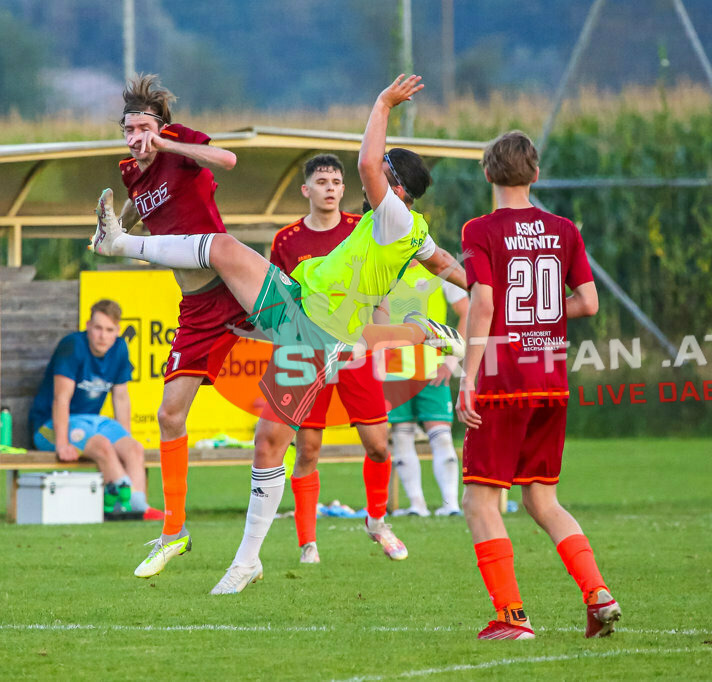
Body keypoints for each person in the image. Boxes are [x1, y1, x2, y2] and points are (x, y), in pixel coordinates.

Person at [89, 74, 467, 593]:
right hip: (302, 309)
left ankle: (119, 246)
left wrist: (382, 103)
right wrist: (492, 287)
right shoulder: (407, 228)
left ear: (394, 183)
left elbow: (363, 163)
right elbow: (444, 261)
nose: (366, 175)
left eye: (382, 171)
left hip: (311, 324)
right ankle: (243, 558)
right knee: (269, 439)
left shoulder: (393, 213)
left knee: (223, 253)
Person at [456, 130, 620, 639]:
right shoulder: (563, 229)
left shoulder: (479, 229)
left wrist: (469, 375)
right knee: (541, 499)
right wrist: (542, 322)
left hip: (504, 378)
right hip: (550, 378)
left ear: (488, 173)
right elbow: (588, 303)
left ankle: (511, 616)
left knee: (481, 500)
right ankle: (598, 593)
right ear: (536, 174)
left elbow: (483, 302)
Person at [104, 73, 247, 575]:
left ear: (160, 125)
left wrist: (168, 142)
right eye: (129, 130)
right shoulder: (131, 171)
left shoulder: (178, 142)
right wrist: (117, 227)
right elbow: (136, 208)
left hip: (232, 284)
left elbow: (228, 160)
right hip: (195, 308)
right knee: (169, 415)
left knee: (301, 342)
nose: (136, 138)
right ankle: (174, 531)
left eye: (143, 128)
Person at [268, 152, 405, 564]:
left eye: (336, 182)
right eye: (322, 182)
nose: (330, 188)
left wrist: (377, 339)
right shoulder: (286, 241)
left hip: (356, 351)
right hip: (307, 354)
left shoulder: (361, 230)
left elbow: (379, 291)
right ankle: (308, 543)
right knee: (308, 449)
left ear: (345, 189)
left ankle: (377, 522)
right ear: (306, 189)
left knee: (378, 445)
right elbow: (278, 303)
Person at [29, 299, 159, 518]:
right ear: (88, 325)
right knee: (103, 446)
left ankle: (139, 507)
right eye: (98, 328)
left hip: (92, 421)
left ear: (117, 331)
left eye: (109, 330)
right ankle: (121, 505)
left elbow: (121, 397)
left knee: (134, 448)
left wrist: (124, 438)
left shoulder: (119, 348)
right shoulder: (72, 345)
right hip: (49, 425)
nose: (102, 335)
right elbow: (61, 399)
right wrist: (62, 444)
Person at [387, 259, 468, 517]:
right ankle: (417, 506)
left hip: (433, 369)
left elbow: (466, 310)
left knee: (441, 436)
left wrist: (452, 360)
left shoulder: (439, 266)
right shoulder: (383, 268)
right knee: (401, 437)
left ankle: (450, 505)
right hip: (393, 370)